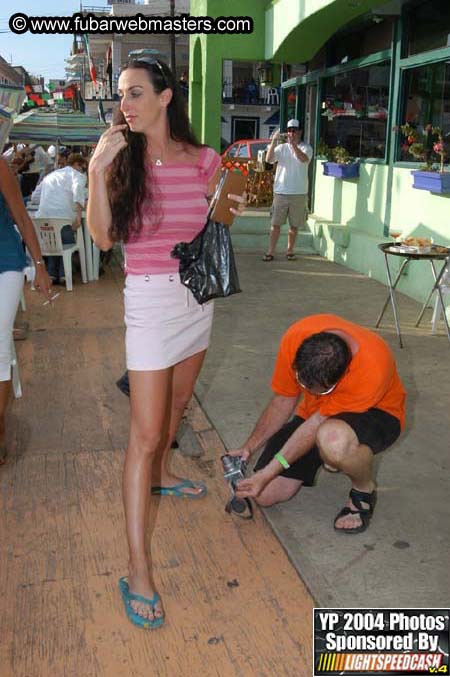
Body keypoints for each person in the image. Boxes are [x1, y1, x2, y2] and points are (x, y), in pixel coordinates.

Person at [87, 57, 245, 629]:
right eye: (120, 96)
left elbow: (218, 219)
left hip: (195, 299)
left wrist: (233, 200)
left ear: (166, 97)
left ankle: (162, 476)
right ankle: (138, 569)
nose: (123, 105)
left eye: (134, 94)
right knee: (147, 433)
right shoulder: (119, 161)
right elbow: (103, 236)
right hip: (151, 300)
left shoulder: (203, 160)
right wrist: (95, 173)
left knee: (178, 407)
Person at [231, 314, 406, 534]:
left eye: (318, 390)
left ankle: (363, 489)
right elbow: (283, 400)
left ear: (341, 375)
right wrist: (249, 446)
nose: (307, 391)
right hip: (318, 418)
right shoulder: (295, 338)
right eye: (302, 382)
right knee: (264, 495)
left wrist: (268, 472)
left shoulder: (373, 366)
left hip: (378, 412)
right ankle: (330, 455)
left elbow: (318, 423)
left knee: (333, 439)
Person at [0, 156, 53, 465]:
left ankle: (1, 427)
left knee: (0, 347)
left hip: (5, 263)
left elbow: (21, 217)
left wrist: (40, 265)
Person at [263, 119, 313, 261]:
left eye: (294, 130)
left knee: (294, 225)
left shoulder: (306, 148)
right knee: (275, 224)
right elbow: (269, 159)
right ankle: (270, 252)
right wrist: (273, 141)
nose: (291, 133)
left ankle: (290, 250)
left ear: (300, 132)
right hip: (281, 192)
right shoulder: (281, 148)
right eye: (289, 130)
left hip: (299, 192)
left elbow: (303, 159)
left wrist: (293, 145)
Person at [36, 153, 88, 284]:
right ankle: (65, 274)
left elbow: (35, 196)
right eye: (83, 167)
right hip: (63, 220)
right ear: (77, 165)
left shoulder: (51, 175)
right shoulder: (77, 175)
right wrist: (77, 216)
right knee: (65, 239)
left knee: (53, 242)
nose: (84, 170)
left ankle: (52, 274)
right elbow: (77, 193)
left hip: (43, 221)